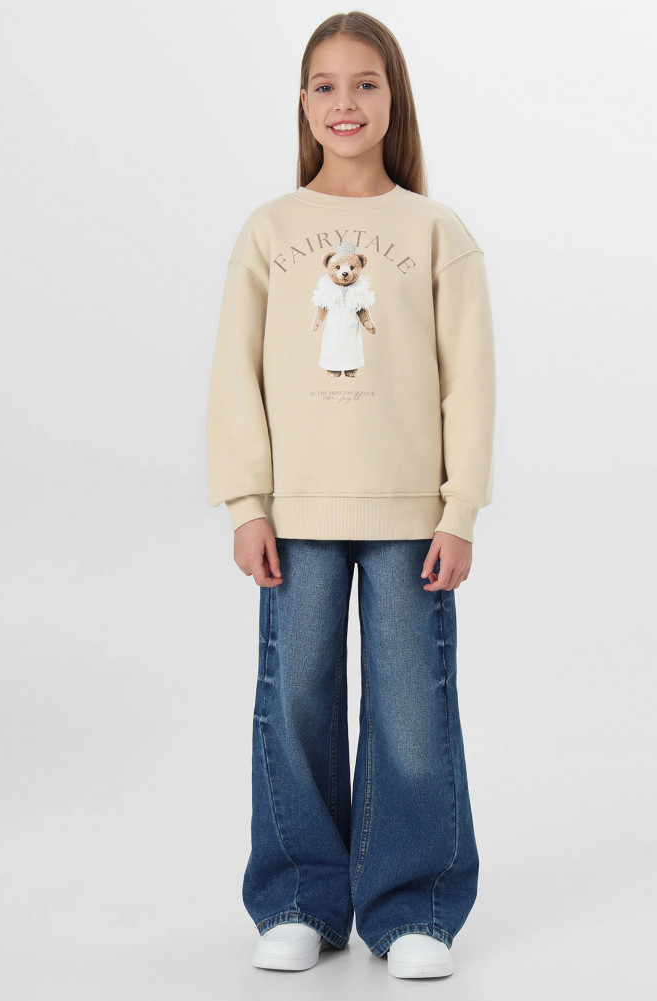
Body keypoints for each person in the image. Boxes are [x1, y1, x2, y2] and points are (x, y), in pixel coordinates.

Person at [206, 10, 496, 980]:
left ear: (392, 98)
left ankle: (413, 906)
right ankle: (299, 896)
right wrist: (247, 501)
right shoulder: (270, 230)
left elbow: (470, 381)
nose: (345, 102)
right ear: (303, 102)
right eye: (326, 85)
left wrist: (459, 509)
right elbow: (236, 372)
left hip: (411, 515)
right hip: (296, 513)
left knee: (413, 708)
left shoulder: (435, 230)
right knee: (294, 699)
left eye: (365, 83)